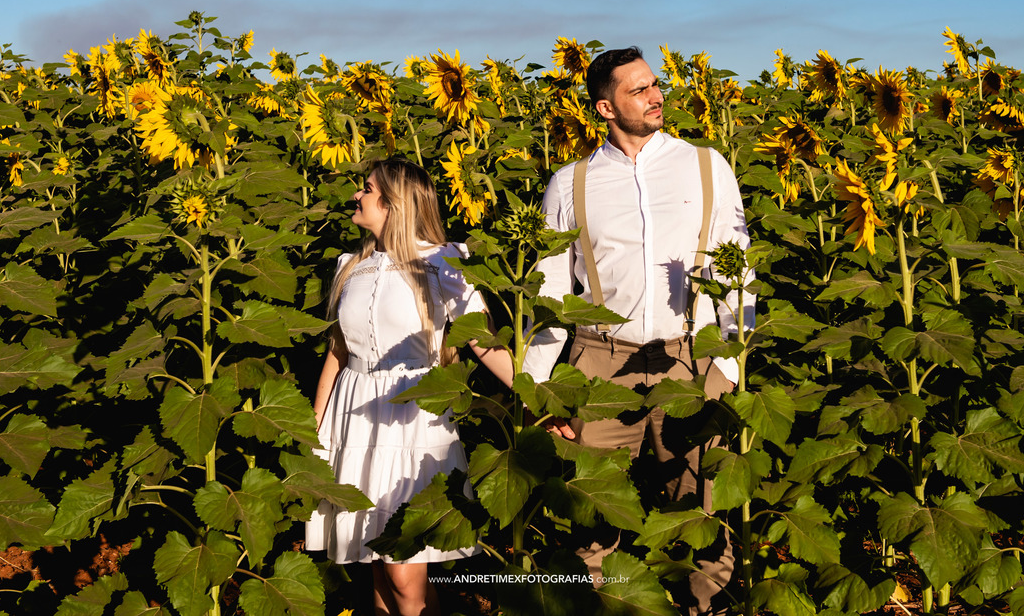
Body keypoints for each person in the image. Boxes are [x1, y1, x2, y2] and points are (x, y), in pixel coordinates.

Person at [523, 46, 755, 615]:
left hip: (691, 360)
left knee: (702, 514)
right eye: (639, 90)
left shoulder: (706, 167)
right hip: (600, 364)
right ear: (605, 108)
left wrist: (727, 362)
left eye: (656, 86)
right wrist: (539, 391)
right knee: (593, 520)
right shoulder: (571, 183)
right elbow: (551, 291)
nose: (656, 98)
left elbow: (736, 267)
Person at [306, 158, 514, 616]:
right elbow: (338, 352)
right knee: (377, 569)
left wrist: (538, 395)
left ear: (394, 202)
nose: (356, 197)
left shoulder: (442, 262)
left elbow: (481, 339)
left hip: (414, 417)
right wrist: (314, 425)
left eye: (366, 189)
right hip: (354, 414)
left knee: (403, 568)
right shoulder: (351, 266)